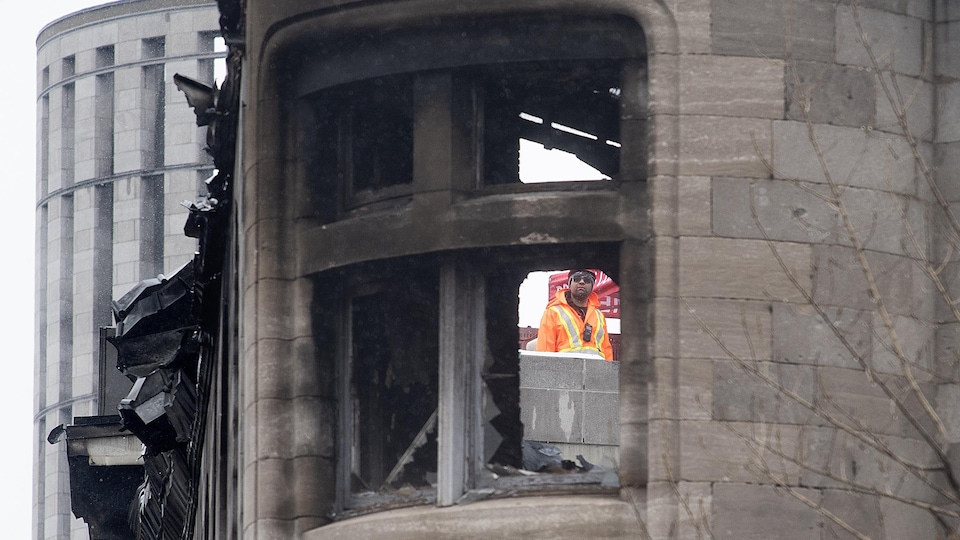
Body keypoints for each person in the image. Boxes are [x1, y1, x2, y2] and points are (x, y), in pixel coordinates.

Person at [536, 269, 614, 361]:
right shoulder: (553, 312)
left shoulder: (599, 316)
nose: (581, 282)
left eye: (587, 280)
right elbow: (545, 350)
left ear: (592, 286)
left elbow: (606, 350)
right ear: (569, 284)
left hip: (595, 372)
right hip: (564, 371)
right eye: (577, 279)